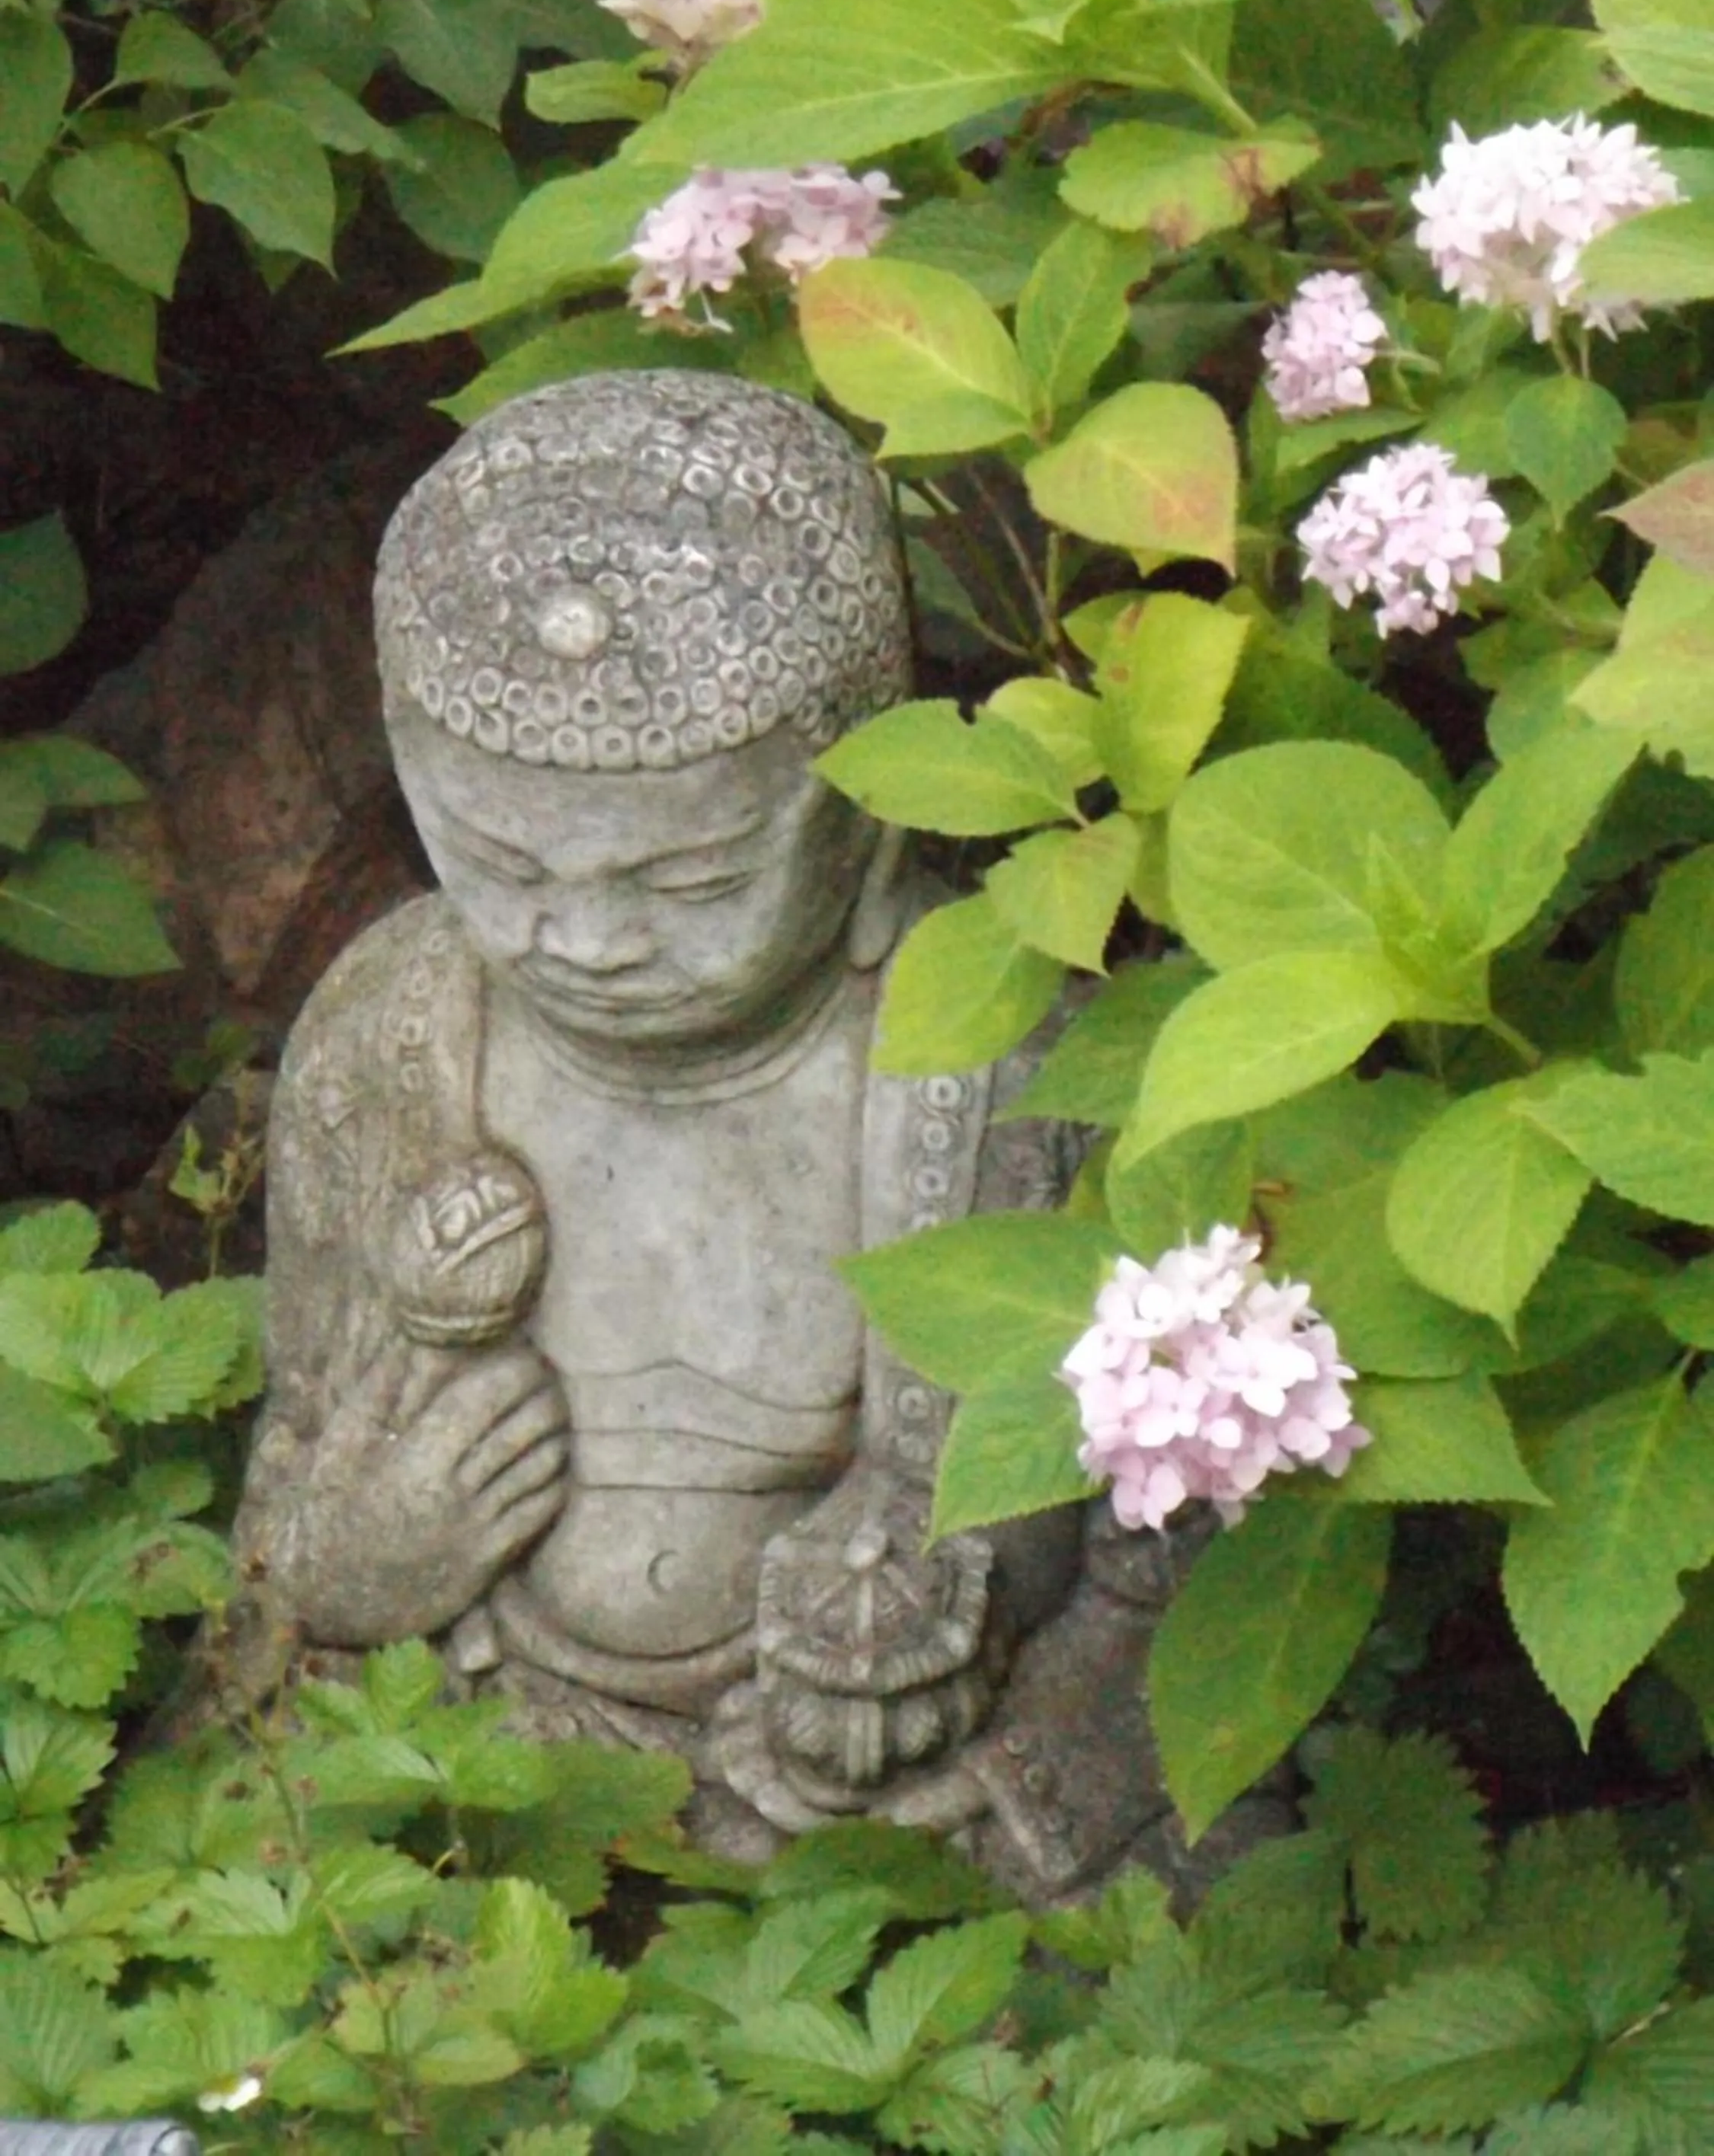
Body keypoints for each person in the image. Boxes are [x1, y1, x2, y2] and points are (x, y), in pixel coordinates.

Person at [232, 371, 1262, 1896]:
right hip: (473, 1750)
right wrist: (355, 1563)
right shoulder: (397, 1033)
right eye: (499, 860)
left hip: (884, 1801)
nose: (585, 941)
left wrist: (973, 1729)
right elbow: (289, 1476)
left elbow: (1175, 1578)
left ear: (866, 817)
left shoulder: (992, 1046)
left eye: (694, 881)